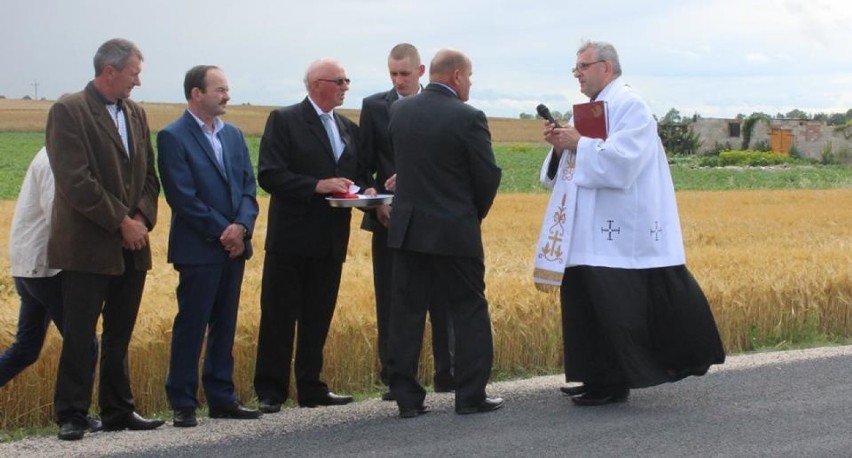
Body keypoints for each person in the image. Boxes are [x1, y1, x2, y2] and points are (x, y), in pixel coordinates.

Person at [535, 40, 725, 406]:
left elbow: (624, 162)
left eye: (583, 66)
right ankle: (594, 377)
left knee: (613, 311)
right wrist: (561, 146)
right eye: (575, 67)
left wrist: (579, 143)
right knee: (586, 307)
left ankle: (613, 382)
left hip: (618, 230)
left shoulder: (630, 105)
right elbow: (563, 169)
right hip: (585, 227)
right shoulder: (587, 109)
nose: (577, 73)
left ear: (606, 67)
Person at [45, 38, 162, 440]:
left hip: (133, 243)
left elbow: (149, 175)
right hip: (88, 246)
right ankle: (72, 413)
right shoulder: (69, 110)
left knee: (120, 332)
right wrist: (120, 222)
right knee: (80, 333)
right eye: (134, 73)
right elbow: (75, 180)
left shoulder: (136, 114)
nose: (138, 82)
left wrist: (142, 217)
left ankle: (118, 409)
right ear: (109, 71)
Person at [385, 49, 503, 418]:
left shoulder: (399, 111)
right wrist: (470, 215)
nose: (469, 83)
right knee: (468, 309)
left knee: (406, 312)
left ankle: (406, 398)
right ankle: (470, 396)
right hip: (454, 232)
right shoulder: (469, 117)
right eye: (468, 76)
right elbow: (486, 177)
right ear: (455, 76)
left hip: (409, 230)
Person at [254, 58, 367, 413]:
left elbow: (354, 178)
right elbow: (270, 175)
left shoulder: (349, 128)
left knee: (318, 315)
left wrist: (374, 193)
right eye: (340, 80)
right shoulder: (285, 120)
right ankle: (271, 391)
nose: (346, 86)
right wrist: (316, 186)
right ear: (317, 83)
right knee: (279, 315)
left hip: (332, 238)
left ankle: (311, 386)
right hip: (291, 238)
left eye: (347, 80)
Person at [157, 65, 261, 428]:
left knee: (225, 324)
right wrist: (225, 230)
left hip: (234, 248)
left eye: (227, 89)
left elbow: (249, 187)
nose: (226, 95)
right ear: (196, 93)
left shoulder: (233, 135)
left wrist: (243, 227)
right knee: (192, 323)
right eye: (219, 89)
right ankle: (183, 401)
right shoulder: (173, 136)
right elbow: (182, 197)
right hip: (199, 249)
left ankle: (221, 397)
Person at [358, 43, 455, 401]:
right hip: (388, 221)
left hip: (434, 220)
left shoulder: (445, 105)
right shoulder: (373, 107)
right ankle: (396, 378)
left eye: (405, 74)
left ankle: (448, 373)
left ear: (421, 72)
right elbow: (360, 162)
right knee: (392, 301)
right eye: (393, 74)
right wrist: (374, 204)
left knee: (442, 299)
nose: (399, 81)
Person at [1, 147, 101, 431]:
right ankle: (74, 415)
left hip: (30, 266)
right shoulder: (58, 159)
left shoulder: (52, 153)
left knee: (26, 348)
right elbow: (59, 217)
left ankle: (76, 414)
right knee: (83, 341)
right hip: (48, 267)